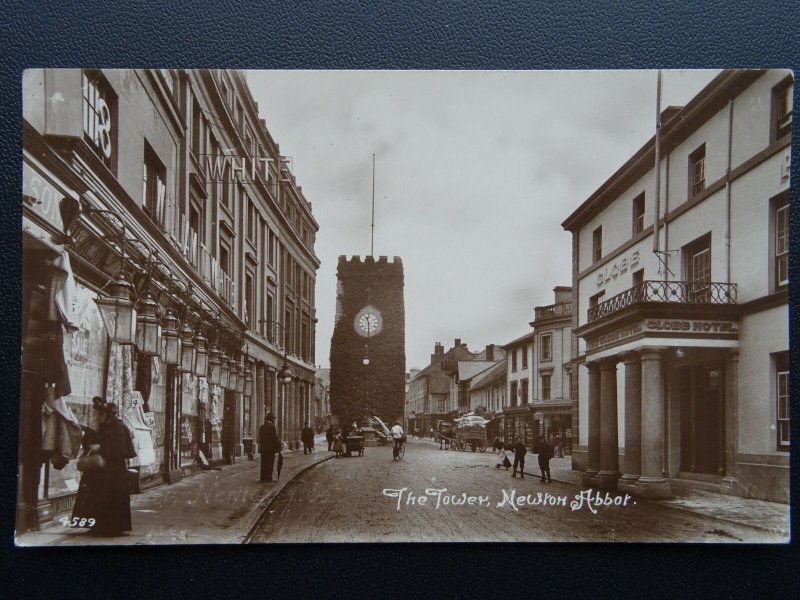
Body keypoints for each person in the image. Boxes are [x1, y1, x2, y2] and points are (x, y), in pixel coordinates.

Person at [73, 399, 137, 536]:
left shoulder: (117, 427)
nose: (98, 417)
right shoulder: (104, 426)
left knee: (109, 496)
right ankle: (99, 525)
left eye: (100, 414)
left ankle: (110, 527)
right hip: (101, 469)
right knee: (99, 496)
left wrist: (101, 447)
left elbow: (119, 447)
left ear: (107, 415)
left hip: (113, 470)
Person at [258, 413, 280, 482]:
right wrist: (278, 446)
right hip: (270, 449)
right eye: (273, 419)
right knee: (270, 463)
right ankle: (269, 478)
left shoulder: (262, 427)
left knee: (264, 463)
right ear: (272, 419)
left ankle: (263, 477)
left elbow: (260, 439)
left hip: (263, 449)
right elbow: (274, 438)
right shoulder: (272, 427)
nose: (274, 420)